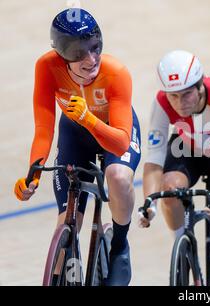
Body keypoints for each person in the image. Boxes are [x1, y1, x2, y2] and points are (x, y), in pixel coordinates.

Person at [13, 8, 141, 286]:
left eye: (95, 48)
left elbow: (120, 142)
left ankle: (119, 246)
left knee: (118, 177)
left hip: (112, 129)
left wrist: (89, 118)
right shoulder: (47, 67)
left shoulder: (116, 73)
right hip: (75, 132)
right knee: (67, 222)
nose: (90, 59)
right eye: (79, 52)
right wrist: (32, 175)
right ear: (61, 54)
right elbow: (44, 128)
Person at [139, 50, 210, 285]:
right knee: (169, 189)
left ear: (200, 86)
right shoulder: (160, 102)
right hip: (186, 148)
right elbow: (154, 160)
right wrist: (150, 202)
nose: (180, 103)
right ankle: (183, 247)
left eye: (186, 94)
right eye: (173, 96)